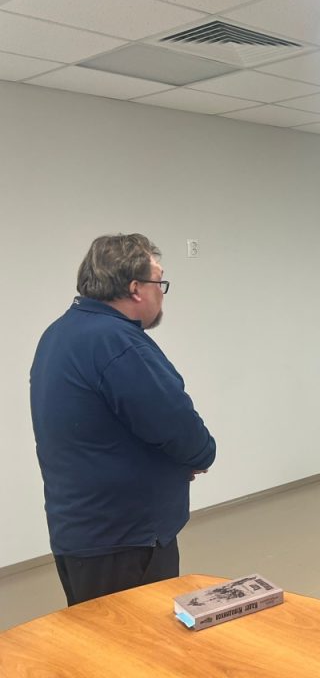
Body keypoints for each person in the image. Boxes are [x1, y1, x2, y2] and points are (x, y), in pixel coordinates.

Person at [30, 234, 216, 606]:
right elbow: (177, 427)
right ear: (135, 288)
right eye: (159, 282)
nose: (161, 292)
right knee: (139, 639)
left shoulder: (60, 333)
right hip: (127, 540)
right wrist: (198, 456)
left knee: (99, 635)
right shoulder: (117, 343)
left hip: (82, 534)